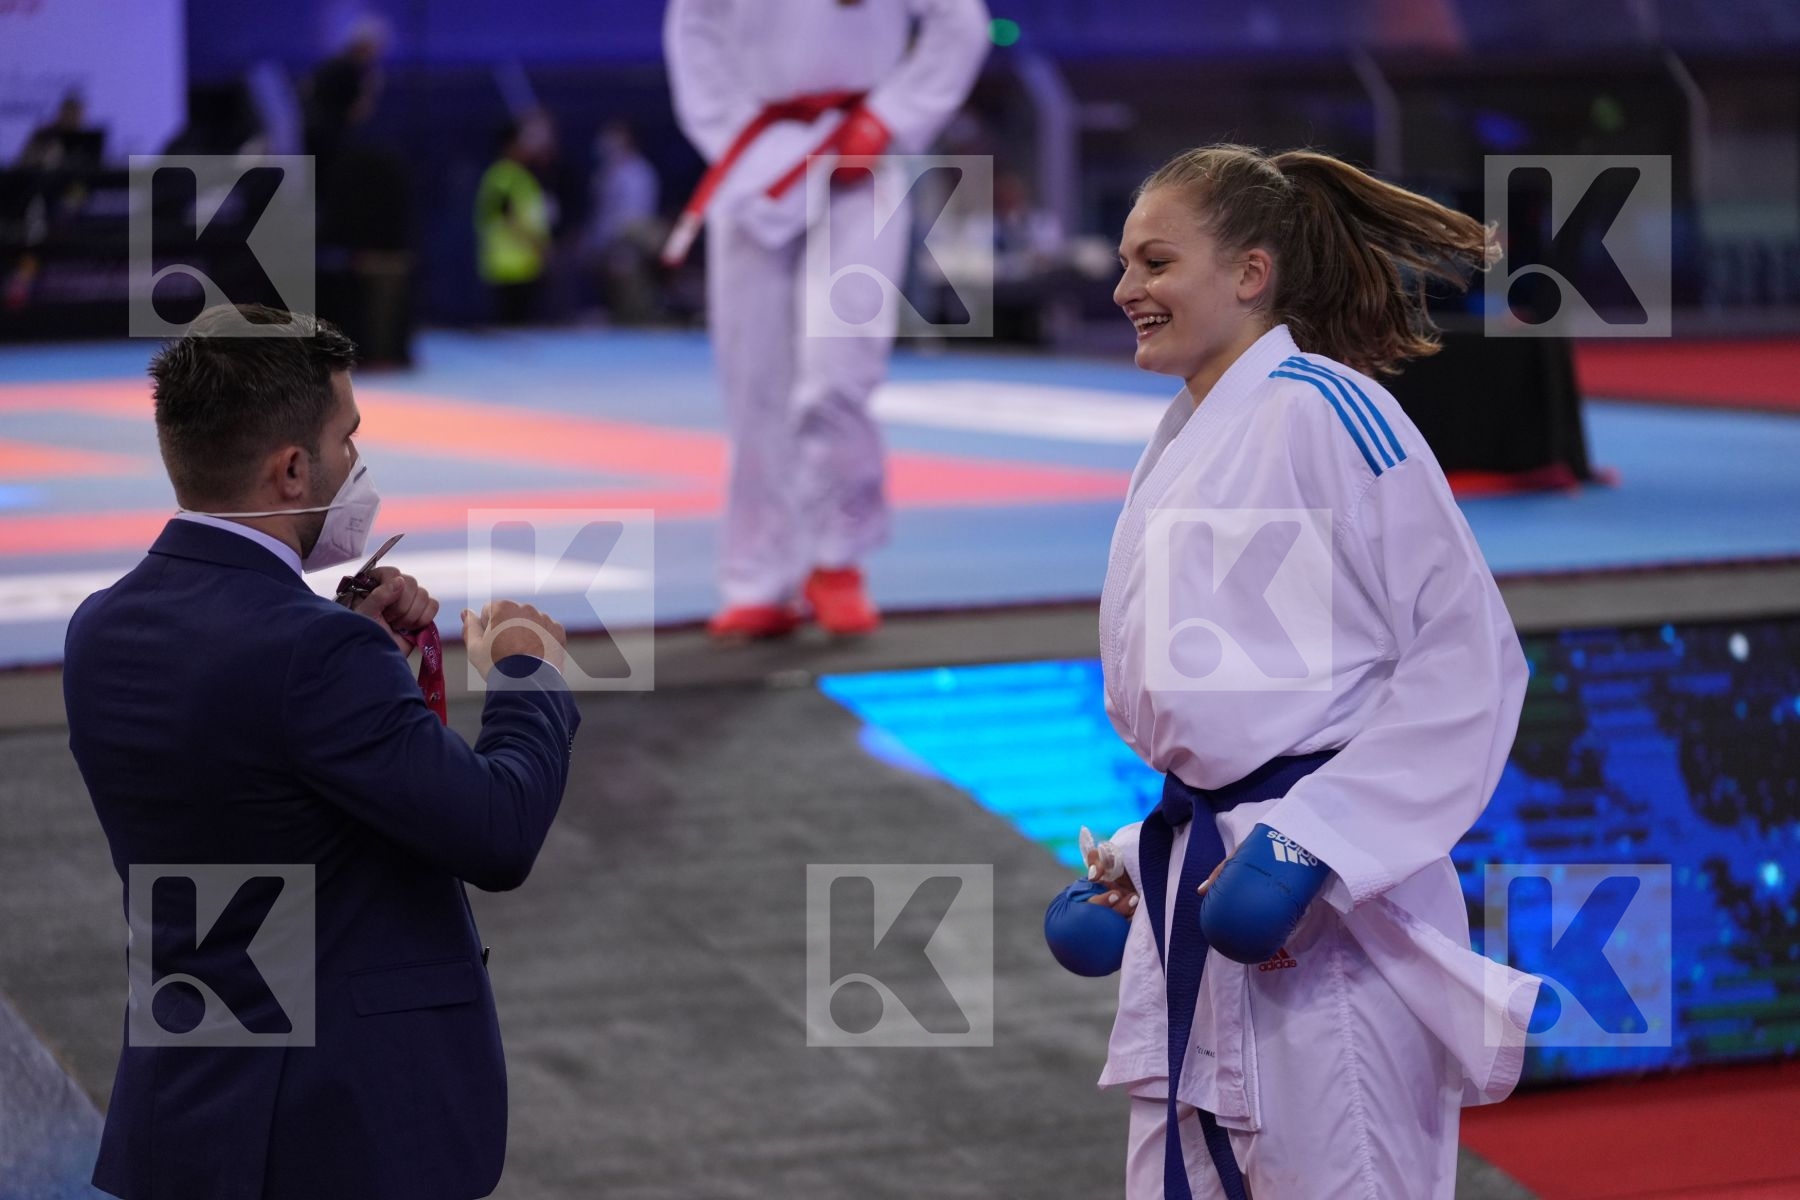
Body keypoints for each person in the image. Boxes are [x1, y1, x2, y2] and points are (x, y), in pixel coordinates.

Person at [1042, 145, 1541, 1199]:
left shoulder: (1331, 411)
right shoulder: (1183, 431)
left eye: (1156, 262)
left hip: (1331, 936)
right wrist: (1153, 853)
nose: (1126, 288)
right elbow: (1253, 698)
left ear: (1250, 274)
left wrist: (1313, 840)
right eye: (1126, 263)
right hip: (1214, 879)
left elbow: (1470, 659)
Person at [64, 304, 580, 1200]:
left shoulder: (100, 629)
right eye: (347, 441)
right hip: (339, 1129)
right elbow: (497, 831)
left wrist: (351, 641)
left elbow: (246, 753)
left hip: (188, 1110)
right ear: (293, 467)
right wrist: (528, 670)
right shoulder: (313, 656)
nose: (356, 466)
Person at [664, 0, 990, 639]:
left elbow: (961, 22)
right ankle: (760, 578)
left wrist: (889, 117)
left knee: (837, 375)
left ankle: (838, 559)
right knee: (755, 386)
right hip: (752, 153)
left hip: (858, 161)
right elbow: (693, 27)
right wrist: (732, 131)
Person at [476, 110, 559, 326]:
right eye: (523, 141)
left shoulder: (517, 176)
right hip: (511, 267)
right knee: (514, 329)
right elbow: (509, 218)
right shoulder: (506, 177)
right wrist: (539, 246)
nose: (528, 146)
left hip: (522, 266)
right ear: (510, 144)